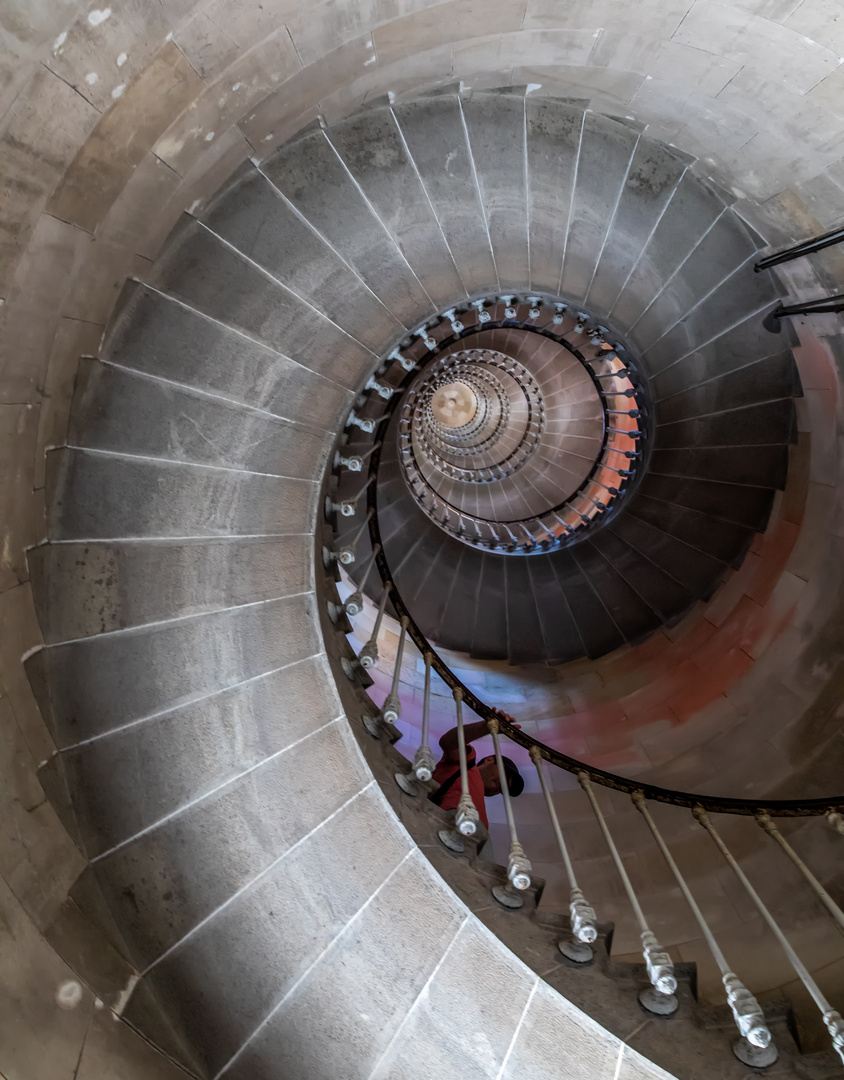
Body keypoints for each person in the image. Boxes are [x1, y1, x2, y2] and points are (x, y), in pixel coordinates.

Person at [430, 707, 525, 829]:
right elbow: (448, 742)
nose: (502, 787)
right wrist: (487, 726)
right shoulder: (467, 762)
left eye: (505, 790)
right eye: (505, 776)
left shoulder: (484, 819)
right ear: (489, 760)